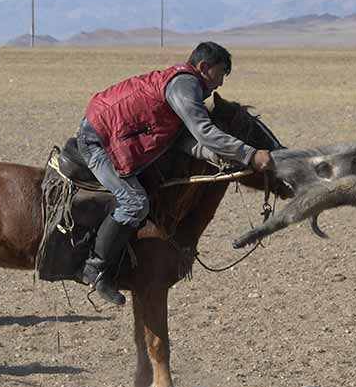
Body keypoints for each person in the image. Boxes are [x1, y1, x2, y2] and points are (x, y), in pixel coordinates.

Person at [75, 41, 275, 305]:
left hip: (115, 135)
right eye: (220, 74)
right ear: (204, 67)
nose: (220, 84)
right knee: (134, 202)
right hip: (98, 139)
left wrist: (217, 157)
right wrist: (249, 154)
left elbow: (182, 140)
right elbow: (204, 131)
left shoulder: (184, 86)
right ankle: (95, 268)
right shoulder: (185, 85)